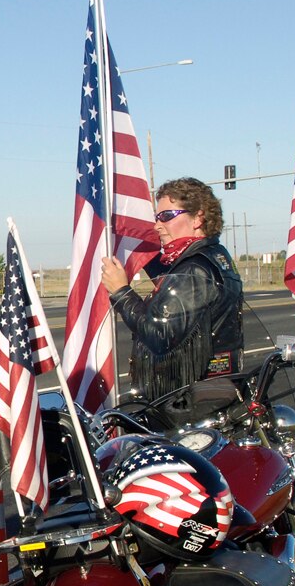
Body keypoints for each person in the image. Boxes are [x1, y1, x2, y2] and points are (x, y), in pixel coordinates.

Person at [99, 176, 244, 415]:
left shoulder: (195, 269)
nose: (157, 225)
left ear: (198, 218)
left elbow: (160, 334)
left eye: (166, 216)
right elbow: (173, 283)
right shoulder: (212, 256)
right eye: (156, 217)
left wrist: (121, 292)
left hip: (189, 404)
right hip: (210, 392)